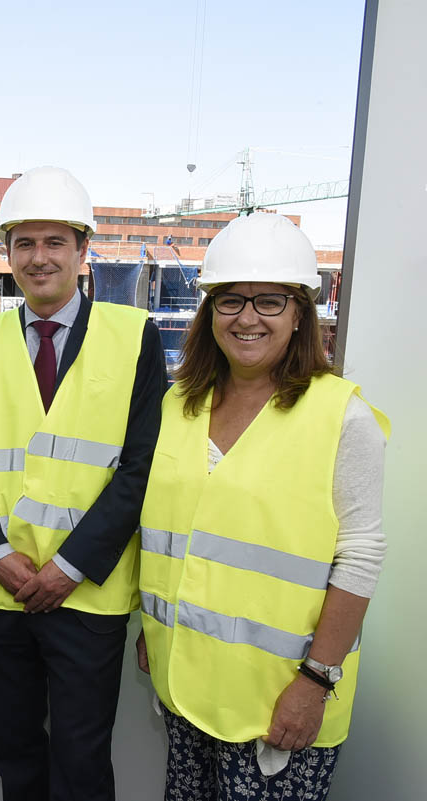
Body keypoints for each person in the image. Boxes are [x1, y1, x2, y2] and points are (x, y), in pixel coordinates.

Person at [135, 212, 389, 800]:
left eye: (270, 301)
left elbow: (360, 557)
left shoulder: (341, 416)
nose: (248, 317)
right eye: (230, 301)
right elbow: (172, 534)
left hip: (281, 703)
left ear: (301, 311)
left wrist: (315, 682)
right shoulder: (179, 406)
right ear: (210, 311)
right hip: (186, 687)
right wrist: (156, 629)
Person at [0, 166, 167, 801]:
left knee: (82, 760)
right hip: (0, 590)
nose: (39, 258)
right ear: (8, 253)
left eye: (54, 243)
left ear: (82, 250)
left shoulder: (133, 337)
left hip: (86, 596)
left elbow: (139, 467)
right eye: (24, 244)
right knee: (13, 752)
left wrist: (69, 566)